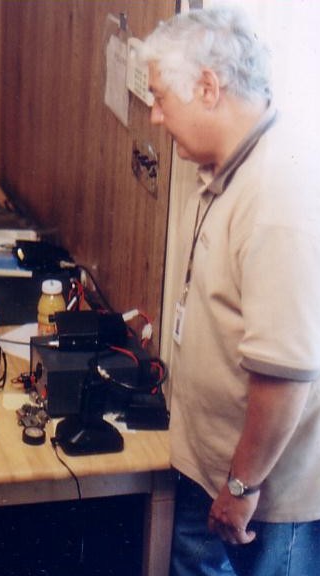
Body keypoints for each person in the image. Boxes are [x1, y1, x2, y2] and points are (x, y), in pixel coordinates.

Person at [140, 6, 320, 576]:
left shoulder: (279, 196)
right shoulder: (228, 169)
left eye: (161, 98)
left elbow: (285, 375)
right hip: (212, 474)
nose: (154, 116)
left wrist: (242, 485)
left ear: (208, 87)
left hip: (260, 501)